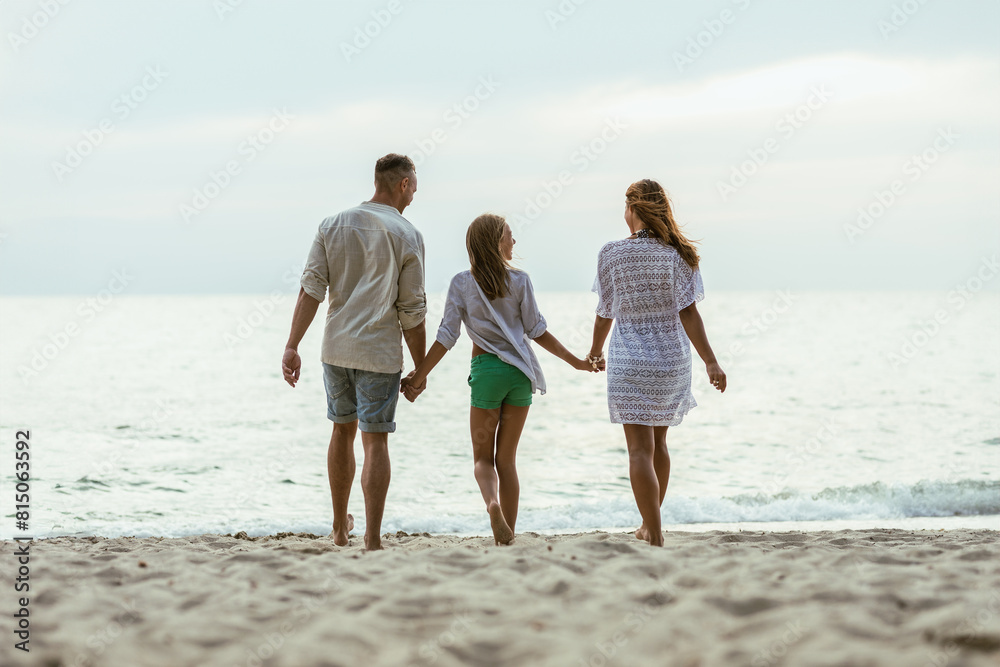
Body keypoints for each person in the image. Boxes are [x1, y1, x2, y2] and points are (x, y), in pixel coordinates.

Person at [401, 213, 596, 545]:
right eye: (509, 235)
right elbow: (538, 332)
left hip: (487, 373)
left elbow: (447, 336)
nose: (513, 242)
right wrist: (576, 362)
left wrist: (419, 375)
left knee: (482, 459)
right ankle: (509, 533)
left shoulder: (461, 283)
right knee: (507, 460)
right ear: (495, 241)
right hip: (519, 375)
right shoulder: (521, 281)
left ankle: (492, 505)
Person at [281, 154, 427, 551]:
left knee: (340, 432)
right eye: (414, 184)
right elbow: (411, 310)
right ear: (402, 184)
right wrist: (421, 367)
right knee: (375, 441)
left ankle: (339, 529)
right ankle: (373, 539)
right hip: (378, 353)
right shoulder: (408, 234)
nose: (415, 191)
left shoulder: (332, 224)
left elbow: (311, 288)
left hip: (336, 349)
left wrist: (292, 345)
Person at [588, 179, 726, 547]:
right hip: (671, 360)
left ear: (633, 209)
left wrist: (595, 350)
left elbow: (605, 312)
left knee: (638, 451)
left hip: (629, 359)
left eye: (625, 206)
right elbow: (690, 315)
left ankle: (654, 530)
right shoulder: (678, 254)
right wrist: (711, 362)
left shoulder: (611, 253)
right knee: (659, 446)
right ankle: (652, 524)